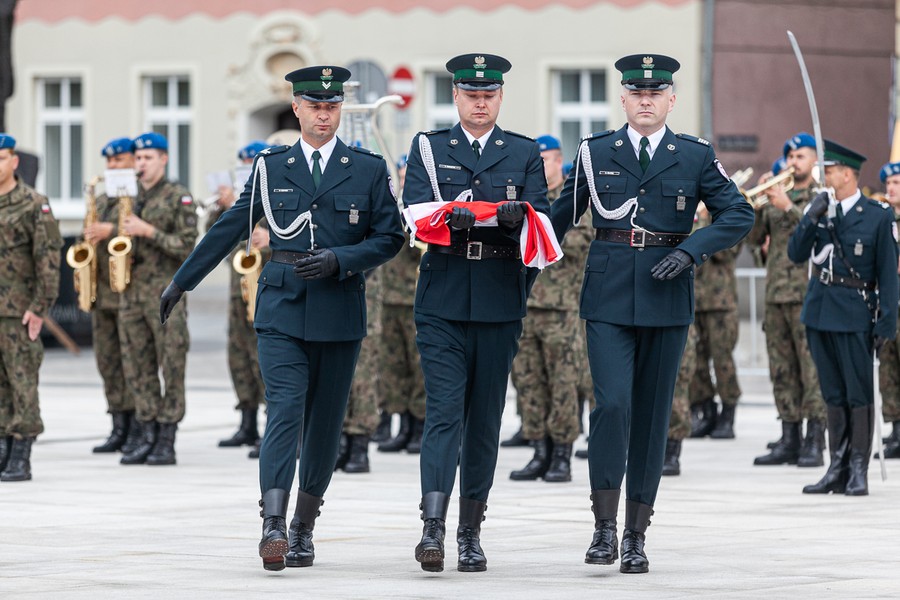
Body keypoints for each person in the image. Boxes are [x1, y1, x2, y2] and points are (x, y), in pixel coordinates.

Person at [159, 65, 404, 571]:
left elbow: (389, 237)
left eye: (331, 106)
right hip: (282, 304)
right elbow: (231, 225)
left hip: (339, 307)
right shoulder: (272, 167)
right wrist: (183, 281)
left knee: (324, 425)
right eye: (314, 106)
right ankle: (272, 524)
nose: (323, 114)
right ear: (296, 108)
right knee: (285, 409)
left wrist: (343, 259)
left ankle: (303, 528)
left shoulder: (368, 168)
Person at [551, 54, 753, 574]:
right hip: (609, 294)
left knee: (652, 417)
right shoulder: (595, 152)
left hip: (667, 295)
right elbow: (556, 218)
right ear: (623, 98)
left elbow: (739, 212)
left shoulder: (694, 155)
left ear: (670, 99)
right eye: (636, 92)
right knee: (613, 405)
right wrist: (504, 227)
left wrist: (692, 250)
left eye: (655, 93)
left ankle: (636, 534)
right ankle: (603, 526)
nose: (645, 100)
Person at [403, 53, 549, 573]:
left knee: (485, 421)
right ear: (457, 97)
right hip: (442, 296)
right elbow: (416, 212)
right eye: (471, 94)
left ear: (500, 97)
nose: (480, 101)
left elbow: (543, 225)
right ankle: (433, 527)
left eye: (489, 94)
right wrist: (451, 222)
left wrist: (514, 223)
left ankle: (470, 532)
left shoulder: (524, 152)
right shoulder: (429, 147)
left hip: (497, 295)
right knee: (443, 413)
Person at [788, 140, 898, 496]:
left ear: (848, 174)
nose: (825, 175)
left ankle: (857, 469)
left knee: (858, 393)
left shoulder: (878, 215)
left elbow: (888, 276)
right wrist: (810, 216)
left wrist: (887, 323)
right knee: (832, 393)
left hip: (855, 313)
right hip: (820, 311)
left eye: (831, 170)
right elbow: (795, 253)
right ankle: (836, 465)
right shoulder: (822, 211)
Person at [509, 134, 592, 483]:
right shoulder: (527, 200)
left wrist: (538, 231)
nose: (543, 167)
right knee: (528, 381)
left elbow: (579, 241)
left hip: (561, 308)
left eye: (548, 160)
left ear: (559, 162)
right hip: (525, 305)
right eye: (537, 161)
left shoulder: (572, 202)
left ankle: (562, 455)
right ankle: (538, 450)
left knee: (562, 384)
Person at [117, 132, 198, 466]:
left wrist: (148, 231)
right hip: (131, 294)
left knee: (172, 364)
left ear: (164, 159)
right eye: (137, 158)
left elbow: (189, 246)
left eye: (147, 158)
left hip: (166, 296)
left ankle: (167, 437)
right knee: (138, 365)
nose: (141, 164)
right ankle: (146, 431)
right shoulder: (129, 197)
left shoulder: (179, 197)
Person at [748, 133, 827, 468]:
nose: (794, 162)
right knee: (781, 369)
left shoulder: (821, 197)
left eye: (800, 157)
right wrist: (756, 205)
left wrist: (789, 208)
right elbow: (753, 239)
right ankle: (789, 436)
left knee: (811, 370)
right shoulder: (776, 196)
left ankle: (815, 440)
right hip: (776, 294)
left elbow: (821, 235)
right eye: (790, 156)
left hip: (807, 294)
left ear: (814, 161)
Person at [0, 133, 63, 481]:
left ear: (13, 161)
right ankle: (3, 448)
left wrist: (40, 306)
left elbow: (48, 259)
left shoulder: (32, 204)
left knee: (21, 380)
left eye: (1, 157)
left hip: (18, 309)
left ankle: (21, 454)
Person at [208, 140, 270, 453]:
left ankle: (271, 426)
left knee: (266, 360)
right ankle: (247, 421)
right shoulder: (238, 197)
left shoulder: (277, 191)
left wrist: (268, 238)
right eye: (243, 161)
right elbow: (214, 238)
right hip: (239, 290)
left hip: (267, 288)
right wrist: (224, 207)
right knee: (239, 358)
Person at [85, 137, 141, 454]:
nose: (112, 167)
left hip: (130, 292)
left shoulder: (138, 196)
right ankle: (118, 423)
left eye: (118, 161)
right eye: (109, 162)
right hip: (104, 291)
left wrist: (112, 232)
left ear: (133, 161)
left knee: (132, 361)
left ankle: (137, 425)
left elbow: (136, 232)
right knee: (108, 361)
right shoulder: (106, 198)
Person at [378, 156, 428, 455]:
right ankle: (403, 423)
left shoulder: (421, 211)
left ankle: (419, 425)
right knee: (393, 366)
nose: (404, 181)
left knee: (417, 365)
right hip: (389, 297)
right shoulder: (393, 209)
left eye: (408, 176)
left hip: (413, 296)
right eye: (401, 176)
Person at [688, 205, 743, 439]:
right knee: (696, 362)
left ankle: (728, 414)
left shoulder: (726, 211)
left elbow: (724, 251)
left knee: (723, 360)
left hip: (721, 302)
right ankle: (706, 410)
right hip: (693, 300)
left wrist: (703, 221)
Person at [874, 161, 900, 459]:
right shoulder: (882, 220)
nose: (891, 188)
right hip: (889, 305)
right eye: (889, 182)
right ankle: (896, 430)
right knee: (889, 369)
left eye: (897, 182)